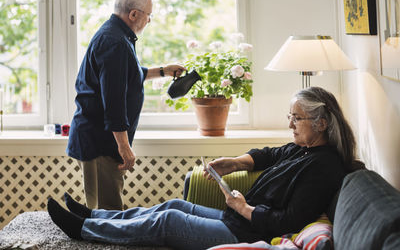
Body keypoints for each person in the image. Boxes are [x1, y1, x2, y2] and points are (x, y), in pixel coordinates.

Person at [50, 87, 364, 250]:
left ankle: (83, 230)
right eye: (290, 116)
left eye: (297, 118)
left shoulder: (324, 168)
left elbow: (289, 220)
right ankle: (93, 215)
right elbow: (269, 155)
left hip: (249, 231)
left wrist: (244, 209)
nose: (290, 123)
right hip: (240, 221)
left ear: (321, 123)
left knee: (168, 221)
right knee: (175, 204)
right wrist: (235, 162)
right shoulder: (304, 148)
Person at [66, 0, 186, 210]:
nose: (149, 21)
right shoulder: (116, 43)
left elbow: (129, 75)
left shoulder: (116, 35)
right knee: (108, 212)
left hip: (98, 137)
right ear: (134, 14)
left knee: (103, 209)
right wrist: (124, 146)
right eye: (148, 15)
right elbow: (113, 100)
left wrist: (164, 70)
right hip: (100, 142)